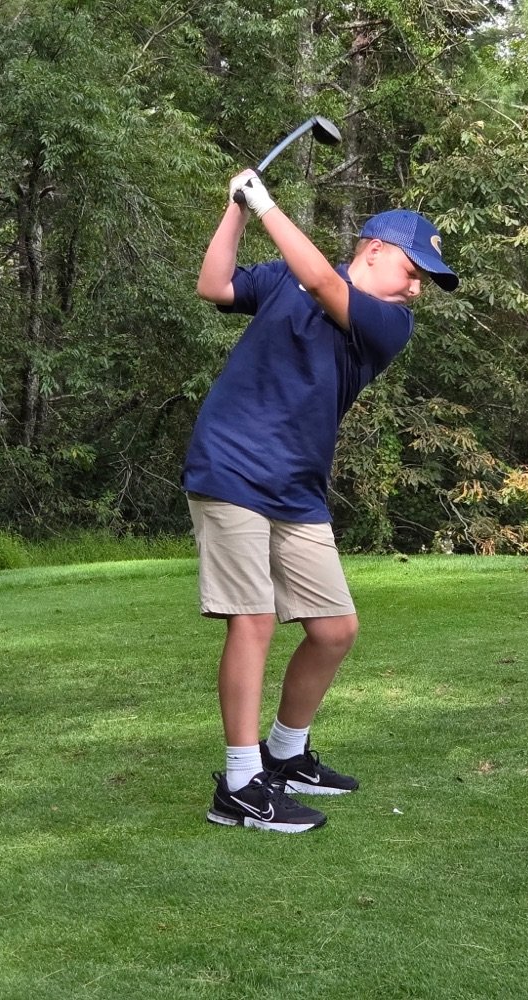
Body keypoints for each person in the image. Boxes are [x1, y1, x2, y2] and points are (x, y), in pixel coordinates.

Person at [182, 165, 459, 834]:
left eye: (426, 278)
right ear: (374, 248)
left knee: (334, 629)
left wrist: (266, 202)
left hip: (297, 485)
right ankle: (243, 784)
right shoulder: (287, 278)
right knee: (252, 618)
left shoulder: (387, 324)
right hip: (231, 466)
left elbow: (324, 282)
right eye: (414, 268)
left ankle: (286, 753)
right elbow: (213, 284)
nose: (418, 286)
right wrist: (237, 211)